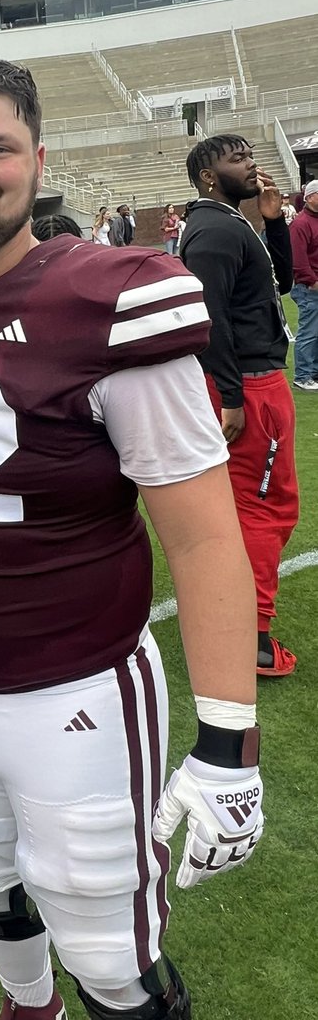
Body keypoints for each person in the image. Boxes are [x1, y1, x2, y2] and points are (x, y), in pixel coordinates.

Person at [0, 58, 263, 1020]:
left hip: (75, 688)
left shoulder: (114, 299)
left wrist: (230, 742)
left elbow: (202, 540)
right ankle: (27, 1007)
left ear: (39, 159)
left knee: (110, 957)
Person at [180, 135, 298, 678]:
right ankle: (252, 638)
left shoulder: (229, 223)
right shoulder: (214, 231)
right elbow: (211, 322)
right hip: (249, 386)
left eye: (251, 156)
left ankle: (233, 618)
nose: (253, 165)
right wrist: (230, 397)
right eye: (238, 159)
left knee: (247, 506)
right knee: (265, 508)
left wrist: (273, 223)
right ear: (209, 175)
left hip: (251, 382)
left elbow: (280, 285)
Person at [289, 180, 318, 390]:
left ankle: (313, 372)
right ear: (309, 197)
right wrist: (312, 282)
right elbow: (298, 260)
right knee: (309, 332)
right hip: (309, 287)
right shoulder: (300, 224)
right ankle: (303, 376)